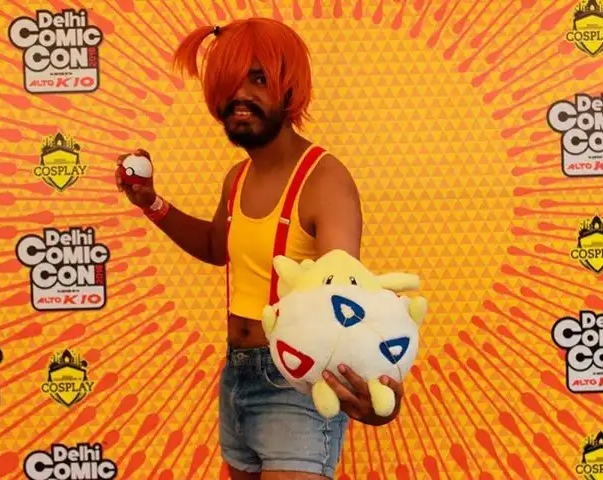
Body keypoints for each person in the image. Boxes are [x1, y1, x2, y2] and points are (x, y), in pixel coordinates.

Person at [115, 17, 405, 480]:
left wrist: (379, 388)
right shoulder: (237, 177)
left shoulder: (324, 179)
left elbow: (346, 293)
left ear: (289, 89)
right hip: (236, 374)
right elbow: (217, 246)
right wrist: (151, 203)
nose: (240, 95)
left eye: (258, 79)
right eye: (229, 83)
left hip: (295, 382)